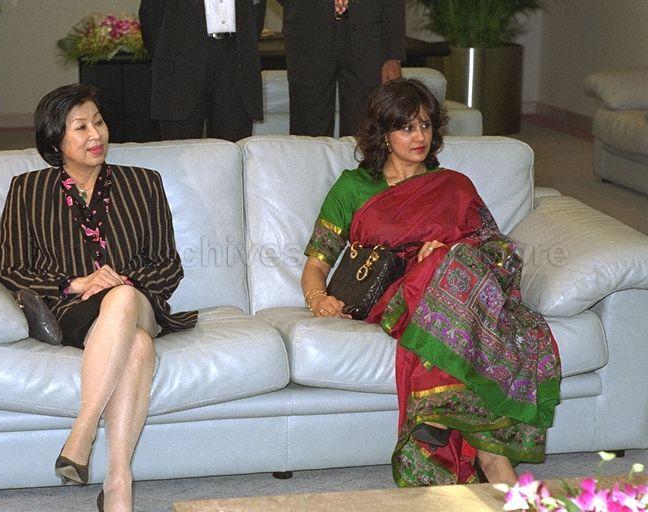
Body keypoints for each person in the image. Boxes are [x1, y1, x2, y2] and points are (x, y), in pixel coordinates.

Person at [301, 78, 561, 486]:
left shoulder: (453, 185)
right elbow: (317, 263)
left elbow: (496, 249)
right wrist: (318, 299)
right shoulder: (353, 187)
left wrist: (449, 254)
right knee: (440, 265)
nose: (419, 136)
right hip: (393, 294)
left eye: (425, 125)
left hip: (457, 292)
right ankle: (490, 459)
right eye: (406, 127)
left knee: (448, 259)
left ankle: (451, 430)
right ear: (383, 135)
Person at [0, 84, 197, 512]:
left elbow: (167, 265)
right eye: (80, 127)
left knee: (122, 298)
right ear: (55, 140)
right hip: (73, 312)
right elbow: (9, 269)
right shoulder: (27, 190)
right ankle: (119, 484)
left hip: (141, 304)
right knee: (137, 347)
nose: (96, 134)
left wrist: (120, 280)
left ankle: (81, 434)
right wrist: (78, 283)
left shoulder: (143, 183)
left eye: (99, 122)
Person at [139, 0, 266, 142]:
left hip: (236, 60)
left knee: (233, 147)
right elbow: (151, 19)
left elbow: (256, 16)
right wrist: (172, 55)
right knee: (179, 151)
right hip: (181, 64)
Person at [276, 0, 405, 137]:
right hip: (307, 32)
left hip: (370, 37)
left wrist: (393, 55)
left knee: (365, 130)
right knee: (308, 130)